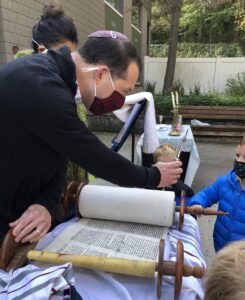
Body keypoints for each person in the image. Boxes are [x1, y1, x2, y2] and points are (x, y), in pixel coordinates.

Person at [0, 27, 182, 244]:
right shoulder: (42, 84)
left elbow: (63, 153)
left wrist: (45, 204)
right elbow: (92, 155)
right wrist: (151, 176)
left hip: (18, 217)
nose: (121, 100)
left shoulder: (59, 81)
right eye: (124, 90)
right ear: (102, 74)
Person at [189, 136, 245, 252]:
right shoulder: (225, 182)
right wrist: (198, 203)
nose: (239, 161)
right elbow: (206, 195)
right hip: (221, 247)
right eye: (237, 155)